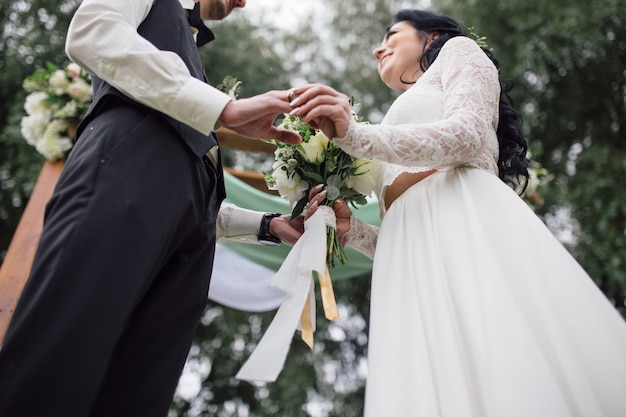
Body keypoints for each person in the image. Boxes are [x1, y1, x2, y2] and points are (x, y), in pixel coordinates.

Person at [294, 9, 626, 417]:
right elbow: (407, 232)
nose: (379, 47)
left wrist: (357, 136)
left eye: (392, 34)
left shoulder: (461, 52)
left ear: (430, 37)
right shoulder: (398, 110)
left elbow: (468, 134)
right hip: (407, 263)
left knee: (498, 353)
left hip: (465, 214)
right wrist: (355, 229)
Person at [0, 0, 303, 416]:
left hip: (185, 248)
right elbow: (92, 29)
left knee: (135, 396)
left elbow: (180, 197)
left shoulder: (186, 54)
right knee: (59, 364)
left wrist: (268, 225)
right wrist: (223, 109)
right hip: (120, 178)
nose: (243, 2)